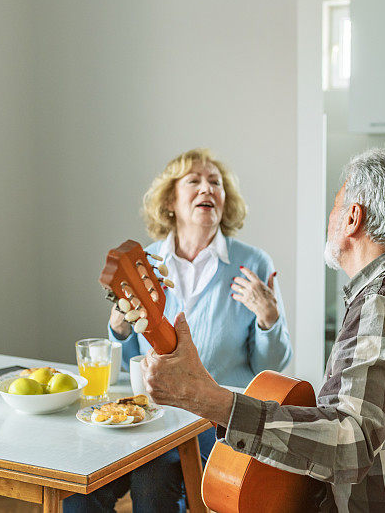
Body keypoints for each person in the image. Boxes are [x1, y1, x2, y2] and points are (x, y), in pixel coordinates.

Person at [142, 148, 385, 512]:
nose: (330, 217)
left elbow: (348, 443)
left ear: (353, 218)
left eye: (336, 206)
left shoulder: (382, 303)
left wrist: (214, 402)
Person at [64, 148, 292, 512]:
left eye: (215, 182)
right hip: (148, 417)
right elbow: (126, 367)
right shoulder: (145, 262)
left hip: (214, 421)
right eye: (194, 181)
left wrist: (269, 320)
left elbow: (272, 366)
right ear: (170, 199)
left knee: (152, 479)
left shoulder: (253, 263)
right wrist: (118, 328)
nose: (207, 189)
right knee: (79, 490)